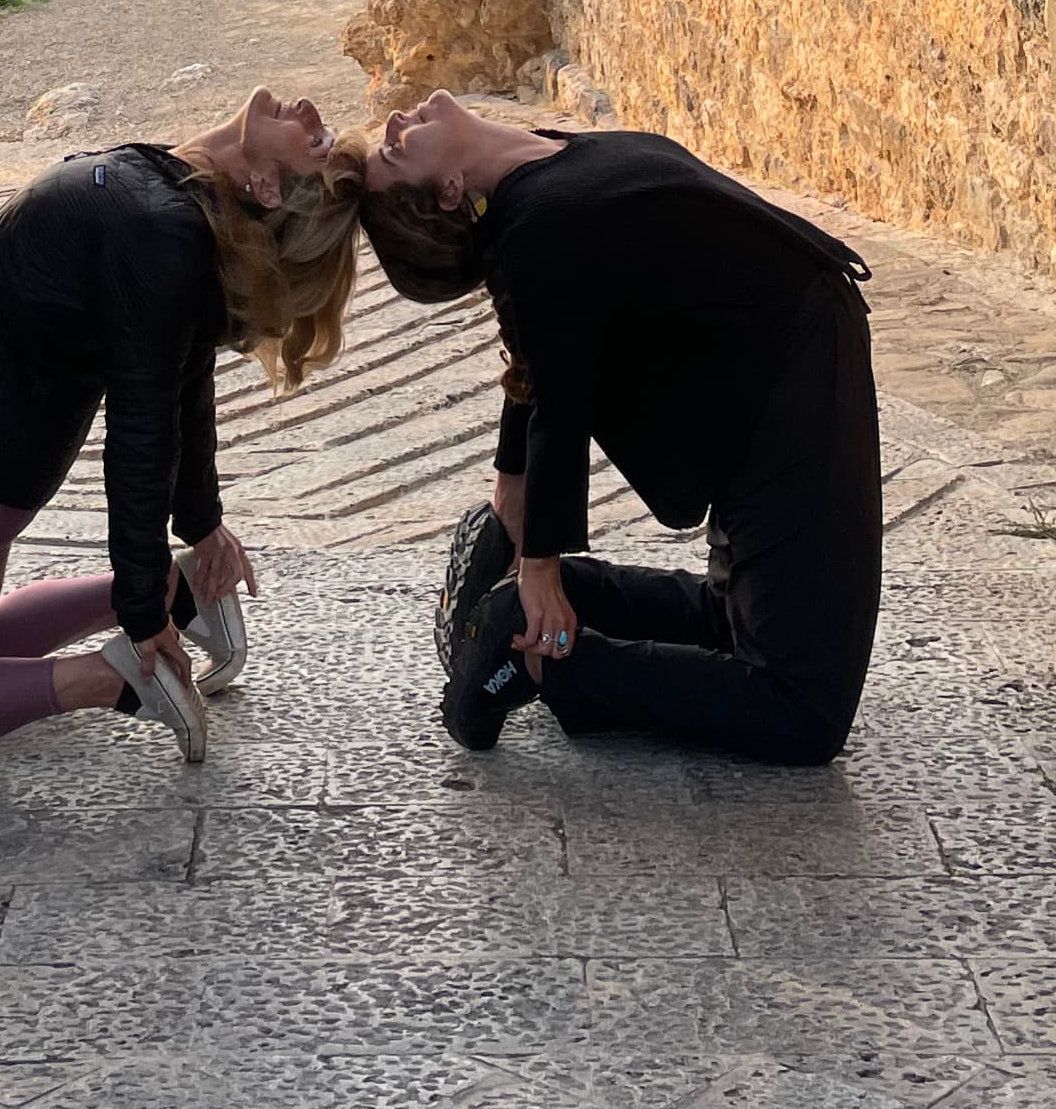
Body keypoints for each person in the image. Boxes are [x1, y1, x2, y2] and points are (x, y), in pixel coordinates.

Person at [351, 93, 880, 763]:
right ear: (451, 189)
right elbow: (559, 397)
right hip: (792, 386)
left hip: (784, 371)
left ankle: (554, 604)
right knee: (802, 711)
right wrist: (536, 567)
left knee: (736, 627)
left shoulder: (548, 159)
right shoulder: (537, 219)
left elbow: (534, 347)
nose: (398, 120)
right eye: (397, 150)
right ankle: (539, 655)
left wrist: (511, 495)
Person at [0, 89, 361, 770]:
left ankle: (116, 678)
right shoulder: (178, 199)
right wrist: (198, 532)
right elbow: (186, 379)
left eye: (315, 142)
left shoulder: (164, 229)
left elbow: (144, 439)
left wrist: (142, 619)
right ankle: (183, 594)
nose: (309, 113)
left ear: (265, 185)